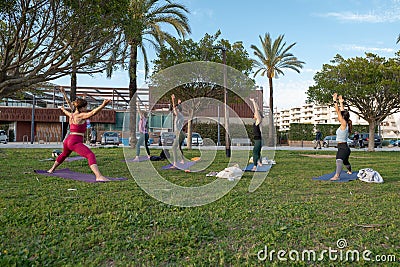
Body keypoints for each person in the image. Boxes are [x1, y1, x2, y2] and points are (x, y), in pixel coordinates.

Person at [47, 98, 111, 181]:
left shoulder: (72, 115)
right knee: (90, 155)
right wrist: (103, 105)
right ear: (81, 108)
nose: (86, 109)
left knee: (64, 154)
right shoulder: (80, 116)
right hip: (74, 141)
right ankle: (98, 176)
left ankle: (51, 169)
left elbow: (66, 112)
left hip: (68, 140)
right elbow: (92, 113)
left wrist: (62, 109)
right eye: (85, 107)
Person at [330, 93, 352, 181]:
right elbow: (341, 111)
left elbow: (338, 111)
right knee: (345, 161)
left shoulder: (344, 123)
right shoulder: (345, 123)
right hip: (344, 147)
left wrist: (334, 100)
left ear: (343, 117)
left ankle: (337, 176)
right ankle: (350, 170)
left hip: (343, 147)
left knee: (339, 160)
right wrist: (341, 102)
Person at [170, 94, 185, 168]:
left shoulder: (179, 115)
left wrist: (173, 100)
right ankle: (182, 160)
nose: (174, 110)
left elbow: (175, 108)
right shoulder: (181, 115)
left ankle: (175, 164)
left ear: (178, 110)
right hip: (181, 133)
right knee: (178, 147)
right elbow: (177, 108)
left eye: (176, 109)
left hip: (179, 133)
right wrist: (179, 103)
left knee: (173, 148)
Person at [250, 98, 263, 171]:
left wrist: (253, 102)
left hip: (258, 140)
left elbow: (256, 111)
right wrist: (255, 102)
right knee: (257, 151)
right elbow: (258, 110)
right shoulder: (257, 121)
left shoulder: (258, 121)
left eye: (255, 114)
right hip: (258, 139)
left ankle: (255, 166)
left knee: (255, 152)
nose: (254, 114)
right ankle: (259, 162)